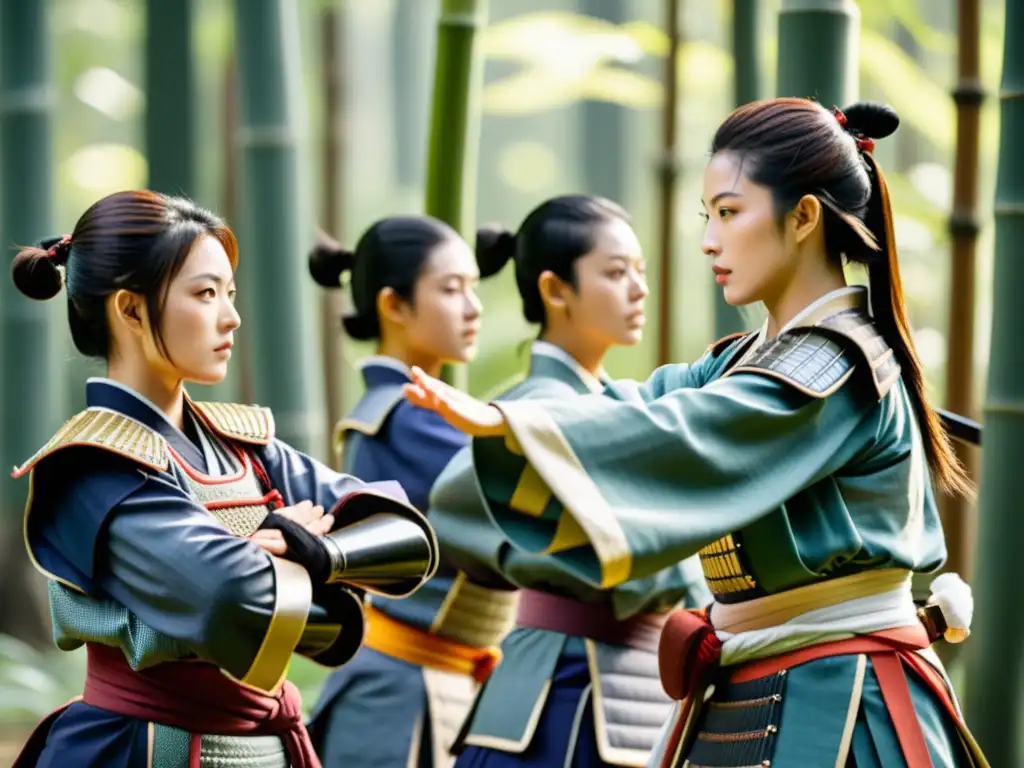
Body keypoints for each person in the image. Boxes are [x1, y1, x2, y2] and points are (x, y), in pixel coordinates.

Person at [402, 100, 989, 768]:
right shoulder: (741, 360)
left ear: (803, 217)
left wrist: (518, 426)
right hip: (753, 683)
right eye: (706, 216)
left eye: (730, 212)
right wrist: (521, 421)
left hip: (843, 696)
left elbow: (689, 431)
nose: (710, 240)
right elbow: (641, 403)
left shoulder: (835, 363)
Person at [9, 190, 439, 768]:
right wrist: (320, 560)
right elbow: (233, 602)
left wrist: (294, 548)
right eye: (206, 293)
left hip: (267, 748)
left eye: (229, 294)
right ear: (130, 309)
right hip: (138, 750)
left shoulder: (244, 443)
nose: (231, 316)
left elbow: (406, 538)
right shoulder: (91, 466)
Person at [426, 195, 711, 768]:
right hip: (569, 681)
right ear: (556, 290)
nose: (638, 289)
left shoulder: (603, 405)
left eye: (640, 271)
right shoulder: (538, 408)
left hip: (627, 675)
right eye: (614, 272)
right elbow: (452, 499)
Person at [305, 216, 511, 768]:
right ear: (393, 306)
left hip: (427, 679)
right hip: (400, 693)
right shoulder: (405, 419)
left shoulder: (410, 415)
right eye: (450, 289)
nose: (473, 307)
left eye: (473, 287)